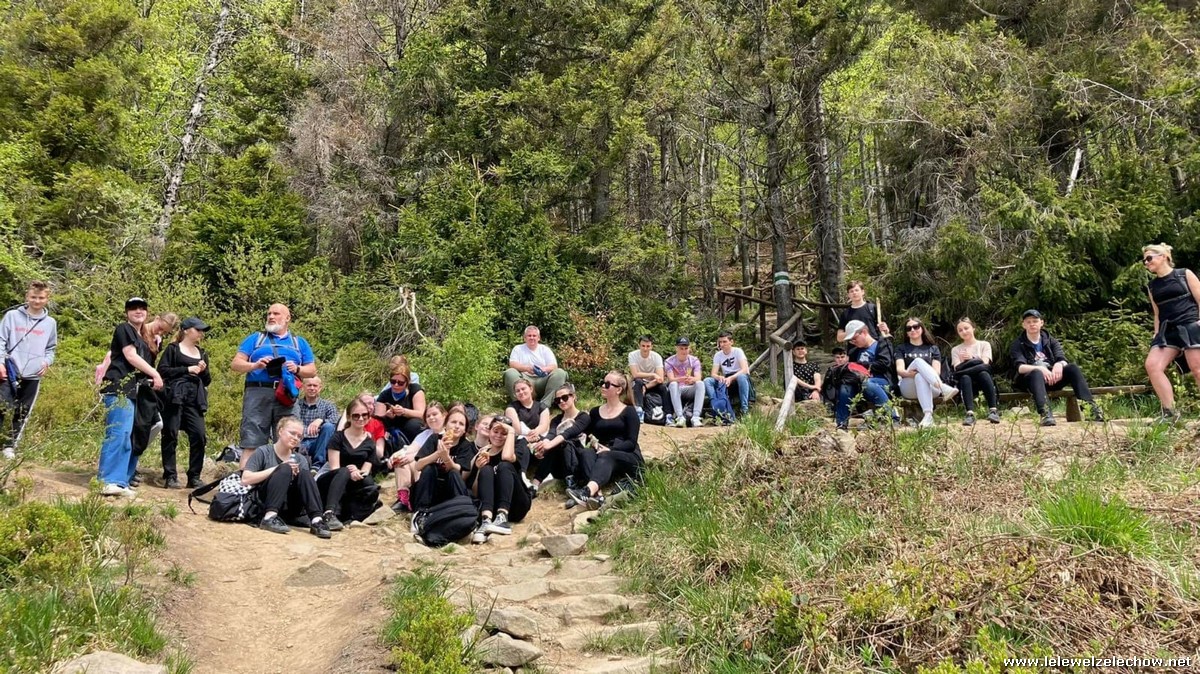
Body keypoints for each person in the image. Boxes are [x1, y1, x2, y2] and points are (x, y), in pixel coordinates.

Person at [231, 304, 317, 468]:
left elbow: (312, 370)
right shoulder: (256, 338)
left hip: (286, 394)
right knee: (252, 441)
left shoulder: (299, 342)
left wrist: (297, 369)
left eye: (276, 314)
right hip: (257, 392)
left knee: (288, 441)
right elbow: (235, 364)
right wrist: (255, 365)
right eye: (269, 313)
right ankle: (246, 480)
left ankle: (286, 480)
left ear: (287, 318)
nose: (271, 317)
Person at [97, 298, 162, 498]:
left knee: (132, 435)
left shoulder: (143, 336)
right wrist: (155, 374)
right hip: (119, 388)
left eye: (142, 308)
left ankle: (121, 480)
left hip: (135, 391)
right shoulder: (124, 328)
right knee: (119, 433)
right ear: (126, 312)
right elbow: (130, 356)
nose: (138, 311)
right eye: (133, 308)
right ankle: (108, 480)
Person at [241, 416, 331, 538]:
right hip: (266, 501)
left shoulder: (300, 459)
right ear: (280, 431)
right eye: (292, 433)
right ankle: (269, 517)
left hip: (290, 505)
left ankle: (316, 520)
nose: (295, 438)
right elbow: (245, 479)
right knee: (284, 468)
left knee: (305, 474)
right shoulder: (263, 452)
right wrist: (277, 469)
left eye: (299, 436)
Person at [1010, 309, 1103, 427]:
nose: (1032, 324)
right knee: (1036, 373)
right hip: (1029, 381)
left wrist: (1059, 364)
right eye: (1028, 322)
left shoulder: (1050, 340)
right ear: (1023, 325)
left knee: (1072, 368)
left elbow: (1062, 358)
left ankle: (1091, 410)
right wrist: (1040, 369)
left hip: (1051, 378)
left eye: (1035, 321)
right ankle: (1045, 414)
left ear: (1041, 323)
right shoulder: (1018, 344)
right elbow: (1020, 367)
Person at [566, 372, 643, 511]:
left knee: (606, 455)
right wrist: (590, 440)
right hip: (603, 454)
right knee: (586, 453)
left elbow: (631, 443)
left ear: (618, 390)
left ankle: (586, 491)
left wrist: (610, 450)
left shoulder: (629, 412)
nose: (603, 386)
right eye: (603, 382)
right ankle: (597, 495)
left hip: (627, 455)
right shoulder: (595, 412)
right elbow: (588, 434)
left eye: (607, 384)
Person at [1142, 243, 1200, 424]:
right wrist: (1156, 333)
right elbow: (1157, 313)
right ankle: (1170, 413)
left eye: (1149, 258)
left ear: (1163, 257)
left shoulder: (1184, 274)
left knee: (1197, 369)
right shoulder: (1152, 286)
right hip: (1168, 330)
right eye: (1144, 260)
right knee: (1152, 365)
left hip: (1190, 325)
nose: (1146, 263)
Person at [0, 281, 58, 459]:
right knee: (2, 407)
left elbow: (51, 348)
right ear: (27, 297)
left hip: (33, 375)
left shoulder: (50, 323)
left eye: (41, 298)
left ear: (47, 299)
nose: (37, 301)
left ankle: (10, 446)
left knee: (22, 411)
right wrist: (0, 363)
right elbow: (1, 340)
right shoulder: (12, 316)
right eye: (33, 297)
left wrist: (46, 362)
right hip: (9, 370)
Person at [156, 317, 212, 488]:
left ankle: (194, 476)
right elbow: (162, 371)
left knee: (199, 435)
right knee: (170, 434)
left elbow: (207, 380)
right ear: (186, 330)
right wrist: (186, 369)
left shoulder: (202, 353)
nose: (201, 333)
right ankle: (170, 476)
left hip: (194, 399)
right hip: (174, 397)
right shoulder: (173, 349)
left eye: (202, 330)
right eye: (198, 329)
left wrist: (202, 371)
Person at [127, 312, 179, 487]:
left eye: (165, 332)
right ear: (156, 318)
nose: (161, 332)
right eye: (160, 328)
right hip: (133, 383)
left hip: (146, 385)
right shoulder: (138, 331)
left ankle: (132, 461)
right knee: (136, 427)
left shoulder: (157, 339)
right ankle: (128, 467)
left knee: (155, 425)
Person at [316, 398, 384, 529]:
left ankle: (352, 513)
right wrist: (349, 471)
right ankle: (329, 513)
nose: (361, 418)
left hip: (353, 482)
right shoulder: (338, 437)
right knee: (343, 471)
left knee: (368, 482)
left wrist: (357, 472)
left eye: (364, 415)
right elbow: (334, 468)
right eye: (356, 415)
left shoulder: (370, 443)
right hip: (332, 480)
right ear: (348, 417)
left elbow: (366, 470)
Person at [468, 415, 532, 544]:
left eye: (504, 433)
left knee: (504, 466)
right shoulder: (482, 453)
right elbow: (475, 492)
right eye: (495, 431)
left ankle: (502, 516)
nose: (498, 436)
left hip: (517, 505)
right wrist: (479, 469)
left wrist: (511, 431)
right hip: (492, 507)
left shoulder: (516, 448)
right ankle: (486, 520)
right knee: (486, 469)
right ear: (489, 431)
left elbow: (507, 457)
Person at [895, 317, 959, 428]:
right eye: (909, 328)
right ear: (906, 332)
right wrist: (912, 374)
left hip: (931, 388)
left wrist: (921, 373)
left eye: (916, 327)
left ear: (922, 328)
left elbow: (936, 372)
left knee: (920, 376)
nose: (912, 330)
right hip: (908, 386)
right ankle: (943, 387)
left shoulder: (933, 349)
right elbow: (900, 370)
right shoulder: (901, 348)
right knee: (918, 362)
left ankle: (928, 416)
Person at [410, 406, 475, 513]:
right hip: (430, 487)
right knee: (429, 468)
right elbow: (418, 466)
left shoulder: (466, 446)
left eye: (461, 424)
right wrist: (438, 453)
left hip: (450, 489)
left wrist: (446, 458)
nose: (457, 426)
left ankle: (460, 511)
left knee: (453, 473)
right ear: (445, 425)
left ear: (464, 430)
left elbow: (458, 470)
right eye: (453, 422)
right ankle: (421, 512)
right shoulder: (434, 439)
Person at [388, 401, 446, 513]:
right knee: (401, 460)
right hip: (421, 465)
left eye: (435, 414)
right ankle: (403, 498)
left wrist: (414, 457)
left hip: (437, 469)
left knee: (419, 463)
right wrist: (396, 455)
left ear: (444, 415)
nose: (431, 418)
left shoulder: (448, 433)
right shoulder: (425, 434)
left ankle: (420, 497)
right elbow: (410, 448)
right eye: (428, 416)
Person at [530, 384, 589, 493]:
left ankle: (572, 483)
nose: (561, 401)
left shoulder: (583, 417)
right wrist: (542, 446)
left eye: (564, 397)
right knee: (554, 444)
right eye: (557, 400)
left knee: (563, 442)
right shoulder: (556, 420)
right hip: (559, 466)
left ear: (573, 397)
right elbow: (551, 434)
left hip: (577, 462)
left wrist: (549, 445)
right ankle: (534, 485)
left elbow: (569, 433)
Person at [842, 319, 900, 429]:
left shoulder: (882, 345)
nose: (853, 342)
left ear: (864, 332)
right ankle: (842, 422)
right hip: (861, 384)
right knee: (845, 386)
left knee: (867, 383)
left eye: (854, 338)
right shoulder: (854, 352)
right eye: (851, 341)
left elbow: (884, 365)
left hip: (883, 382)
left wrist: (861, 366)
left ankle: (892, 416)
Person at [950, 317, 1001, 426]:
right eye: (960, 330)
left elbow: (985, 364)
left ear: (973, 328)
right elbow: (957, 369)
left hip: (982, 377)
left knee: (983, 373)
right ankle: (969, 414)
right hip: (966, 380)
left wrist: (970, 359)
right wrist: (976, 361)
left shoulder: (984, 345)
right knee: (965, 377)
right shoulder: (956, 350)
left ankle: (993, 410)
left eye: (966, 328)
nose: (964, 332)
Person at [504, 325, 569, 407]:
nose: (532, 338)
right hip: (524, 379)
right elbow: (512, 364)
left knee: (560, 372)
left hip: (542, 380)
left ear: (538, 338)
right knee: (509, 372)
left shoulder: (545, 349)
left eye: (534, 336)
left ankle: (544, 405)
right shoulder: (518, 349)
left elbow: (554, 366)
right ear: (524, 338)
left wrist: (544, 369)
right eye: (529, 336)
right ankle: (520, 404)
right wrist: (526, 368)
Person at [375, 360, 426, 452]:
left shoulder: (415, 390)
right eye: (393, 381)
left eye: (400, 383)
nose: (396, 385)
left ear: (407, 382)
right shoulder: (384, 395)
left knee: (414, 425)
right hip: (392, 429)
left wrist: (404, 412)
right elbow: (377, 419)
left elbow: (422, 414)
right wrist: (387, 416)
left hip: (411, 429)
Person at [292, 376, 339, 469]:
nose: (312, 388)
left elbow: (335, 420)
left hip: (319, 442)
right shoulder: (296, 405)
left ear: (320, 388)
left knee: (329, 427)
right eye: (309, 385)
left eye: (315, 386)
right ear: (303, 387)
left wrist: (321, 420)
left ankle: (317, 465)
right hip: (300, 440)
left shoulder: (328, 405)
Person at [704, 331, 751, 421]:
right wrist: (719, 377)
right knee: (707, 381)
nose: (722, 344)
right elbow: (713, 373)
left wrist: (732, 377)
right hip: (726, 379)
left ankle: (744, 408)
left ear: (731, 342)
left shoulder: (738, 351)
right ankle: (715, 405)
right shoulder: (718, 355)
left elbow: (745, 369)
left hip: (739, 376)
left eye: (724, 342)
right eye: (720, 342)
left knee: (741, 377)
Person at [664, 337, 705, 428]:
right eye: (681, 348)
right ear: (676, 348)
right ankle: (680, 417)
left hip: (689, 387)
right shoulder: (669, 361)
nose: (684, 351)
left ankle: (696, 417)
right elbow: (671, 379)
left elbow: (698, 377)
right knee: (673, 384)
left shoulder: (694, 360)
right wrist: (681, 379)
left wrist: (692, 379)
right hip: (676, 388)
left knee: (700, 383)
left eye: (686, 348)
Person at [627, 335, 665, 423]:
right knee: (638, 381)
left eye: (648, 346)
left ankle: (668, 413)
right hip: (638, 382)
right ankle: (639, 410)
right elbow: (635, 374)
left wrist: (646, 387)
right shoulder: (632, 355)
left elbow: (660, 378)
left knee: (663, 387)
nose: (645, 349)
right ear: (639, 345)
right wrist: (653, 374)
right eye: (643, 346)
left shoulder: (657, 357)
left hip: (652, 384)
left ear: (652, 346)